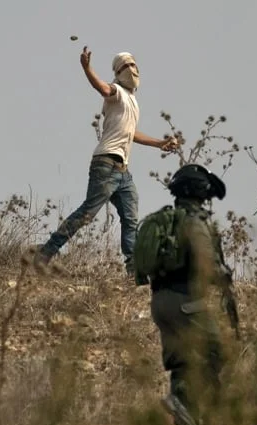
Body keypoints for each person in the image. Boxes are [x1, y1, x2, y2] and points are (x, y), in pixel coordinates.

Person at [34, 47, 179, 275]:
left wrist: (159, 143)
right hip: (106, 164)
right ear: (118, 73)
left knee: (130, 218)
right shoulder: (117, 91)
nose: (131, 69)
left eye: (133, 64)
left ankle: (134, 270)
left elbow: (131, 133)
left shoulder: (132, 101)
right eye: (125, 66)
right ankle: (45, 253)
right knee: (87, 214)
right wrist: (87, 68)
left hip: (122, 171)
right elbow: (102, 88)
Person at [133, 163, 235, 425]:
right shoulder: (194, 223)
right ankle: (191, 405)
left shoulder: (166, 220)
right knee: (216, 349)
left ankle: (186, 421)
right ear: (200, 192)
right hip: (186, 301)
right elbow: (206, 263)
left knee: (182, 361)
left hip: (160, 302)